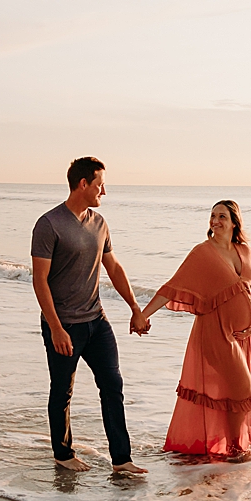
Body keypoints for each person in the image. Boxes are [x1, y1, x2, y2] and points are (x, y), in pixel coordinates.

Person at [31, 156, 149, 476]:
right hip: (64, 324)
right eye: (100, 185)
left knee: (112, 385)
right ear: (83, 184)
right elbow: (39, 279)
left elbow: (113, 267)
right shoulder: (49, 224)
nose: (104, 192)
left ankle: (121, 460)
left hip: (97, 321)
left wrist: (135, 308)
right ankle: (63, 454)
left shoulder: (99, 223)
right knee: (62, 390)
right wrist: (55, 328)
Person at [136, 200, 251, 460]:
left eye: (222, 216)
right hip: (215, 333)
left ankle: (233, 448)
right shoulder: (202, 253)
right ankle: (236, 451)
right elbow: (172, 288)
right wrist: (142, 315)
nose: (215, 221)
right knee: (245, 392)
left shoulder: (245, 252)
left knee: (232, 394)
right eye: (212, 216)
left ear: (234, 222)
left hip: (243, 338)